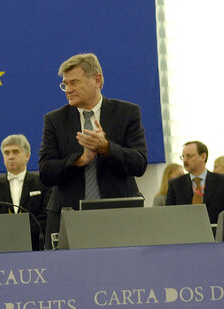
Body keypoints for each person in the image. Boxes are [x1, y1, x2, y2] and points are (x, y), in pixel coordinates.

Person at [38, 52, 148, 248]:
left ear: (97, 80)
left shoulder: (126, 113)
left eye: (75, 83)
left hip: (119, 216)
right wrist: (80, 160)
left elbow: (139, 163)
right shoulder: (55, 120)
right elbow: (46, 172)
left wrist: (106, 148)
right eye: (65, 84)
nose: (68, 90)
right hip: (69, 217)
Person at [0, 134, 50, 251]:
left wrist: (21, 233)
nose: (11, 156)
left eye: (15, 152)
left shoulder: (43, 183)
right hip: (1, 248)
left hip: (36, 247)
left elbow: (46, 216)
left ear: (27, 155)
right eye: (7, 153)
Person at [165, 141, 224, 224]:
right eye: (183, 156)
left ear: (203, 157)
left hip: (216, 233)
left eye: (189, 156)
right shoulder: (175, 184)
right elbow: (169, 215)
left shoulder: (223, 182)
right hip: (185, 233)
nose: (184, 160)